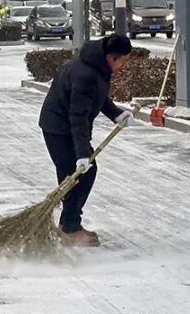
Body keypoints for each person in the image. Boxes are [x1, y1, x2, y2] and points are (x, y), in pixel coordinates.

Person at [38, 34, 135, 246]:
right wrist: (82, 154)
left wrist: (116, 114)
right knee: (78, 176)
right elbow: (78, 116)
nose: (123, 66)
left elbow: (97, 97)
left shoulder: (97, 66)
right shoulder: (86, 74)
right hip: (59, 129)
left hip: (66, 127)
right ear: (110, 57)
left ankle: (69, 224)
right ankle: (70, 228)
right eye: (123, 60)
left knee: (77, 176)